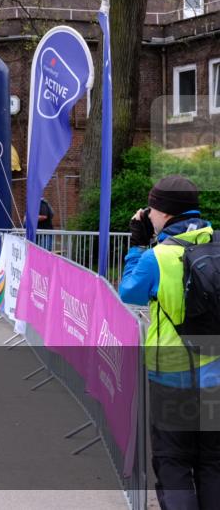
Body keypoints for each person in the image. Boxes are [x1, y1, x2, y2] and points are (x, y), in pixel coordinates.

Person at [119, 176, 219, 509]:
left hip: (171, 374)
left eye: (152, 208)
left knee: (173, 462)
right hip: (215, 371)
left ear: (164, 213)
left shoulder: (157, 257)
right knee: (212, 464)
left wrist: (137, 245)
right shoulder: (216, 243)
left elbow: (129, 292)